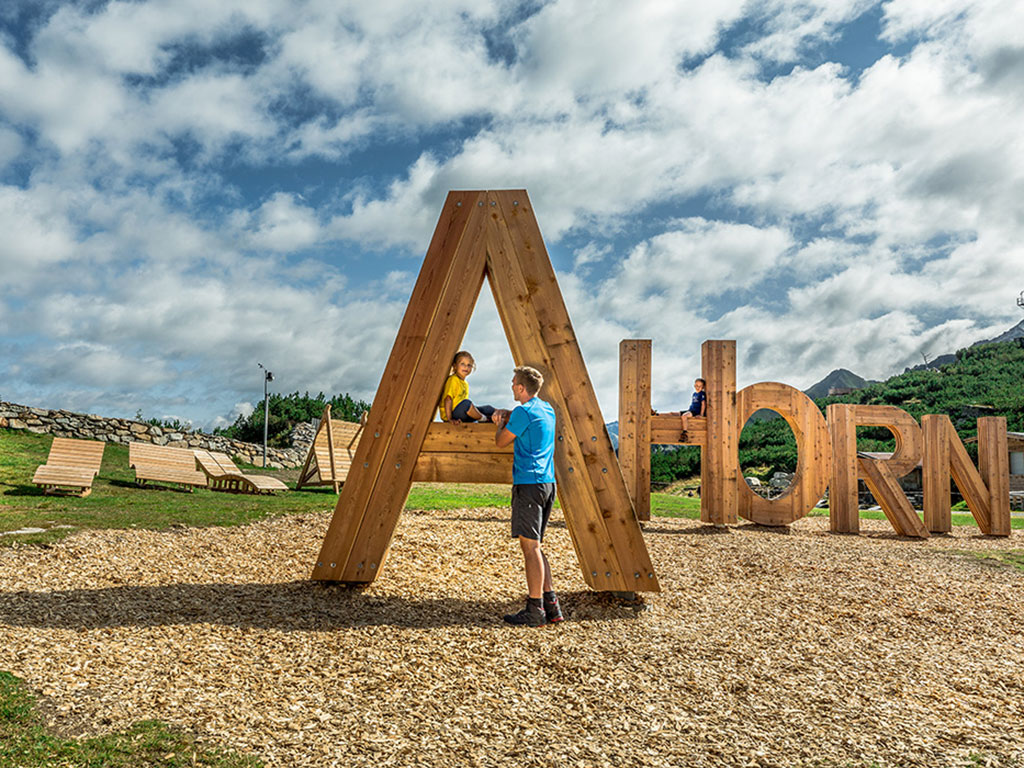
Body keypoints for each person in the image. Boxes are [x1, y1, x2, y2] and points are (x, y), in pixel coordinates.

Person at [492, 365, 562, 626]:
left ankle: (535, 610)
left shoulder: (523, 412)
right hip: (547, 483)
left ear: (521, 388)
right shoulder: (546, 409)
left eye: (513, 384)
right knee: (537, 546)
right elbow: (527, 421)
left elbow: (501, 441)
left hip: (528, 484)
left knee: (529, 548)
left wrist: (500, 424)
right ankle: (551, 605)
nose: (511, 386)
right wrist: (511, 414)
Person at [438, 350, 496, 424]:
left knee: (488, 409)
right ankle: (484, 419)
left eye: (469, 365)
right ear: (455, 366)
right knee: (466, 404)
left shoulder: (465, 384)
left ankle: (505, 416)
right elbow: (448, 400)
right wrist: (450, 419)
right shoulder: (453, 380)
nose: (466, 367)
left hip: (462, 414)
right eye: (462, 364)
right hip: (452, 414)